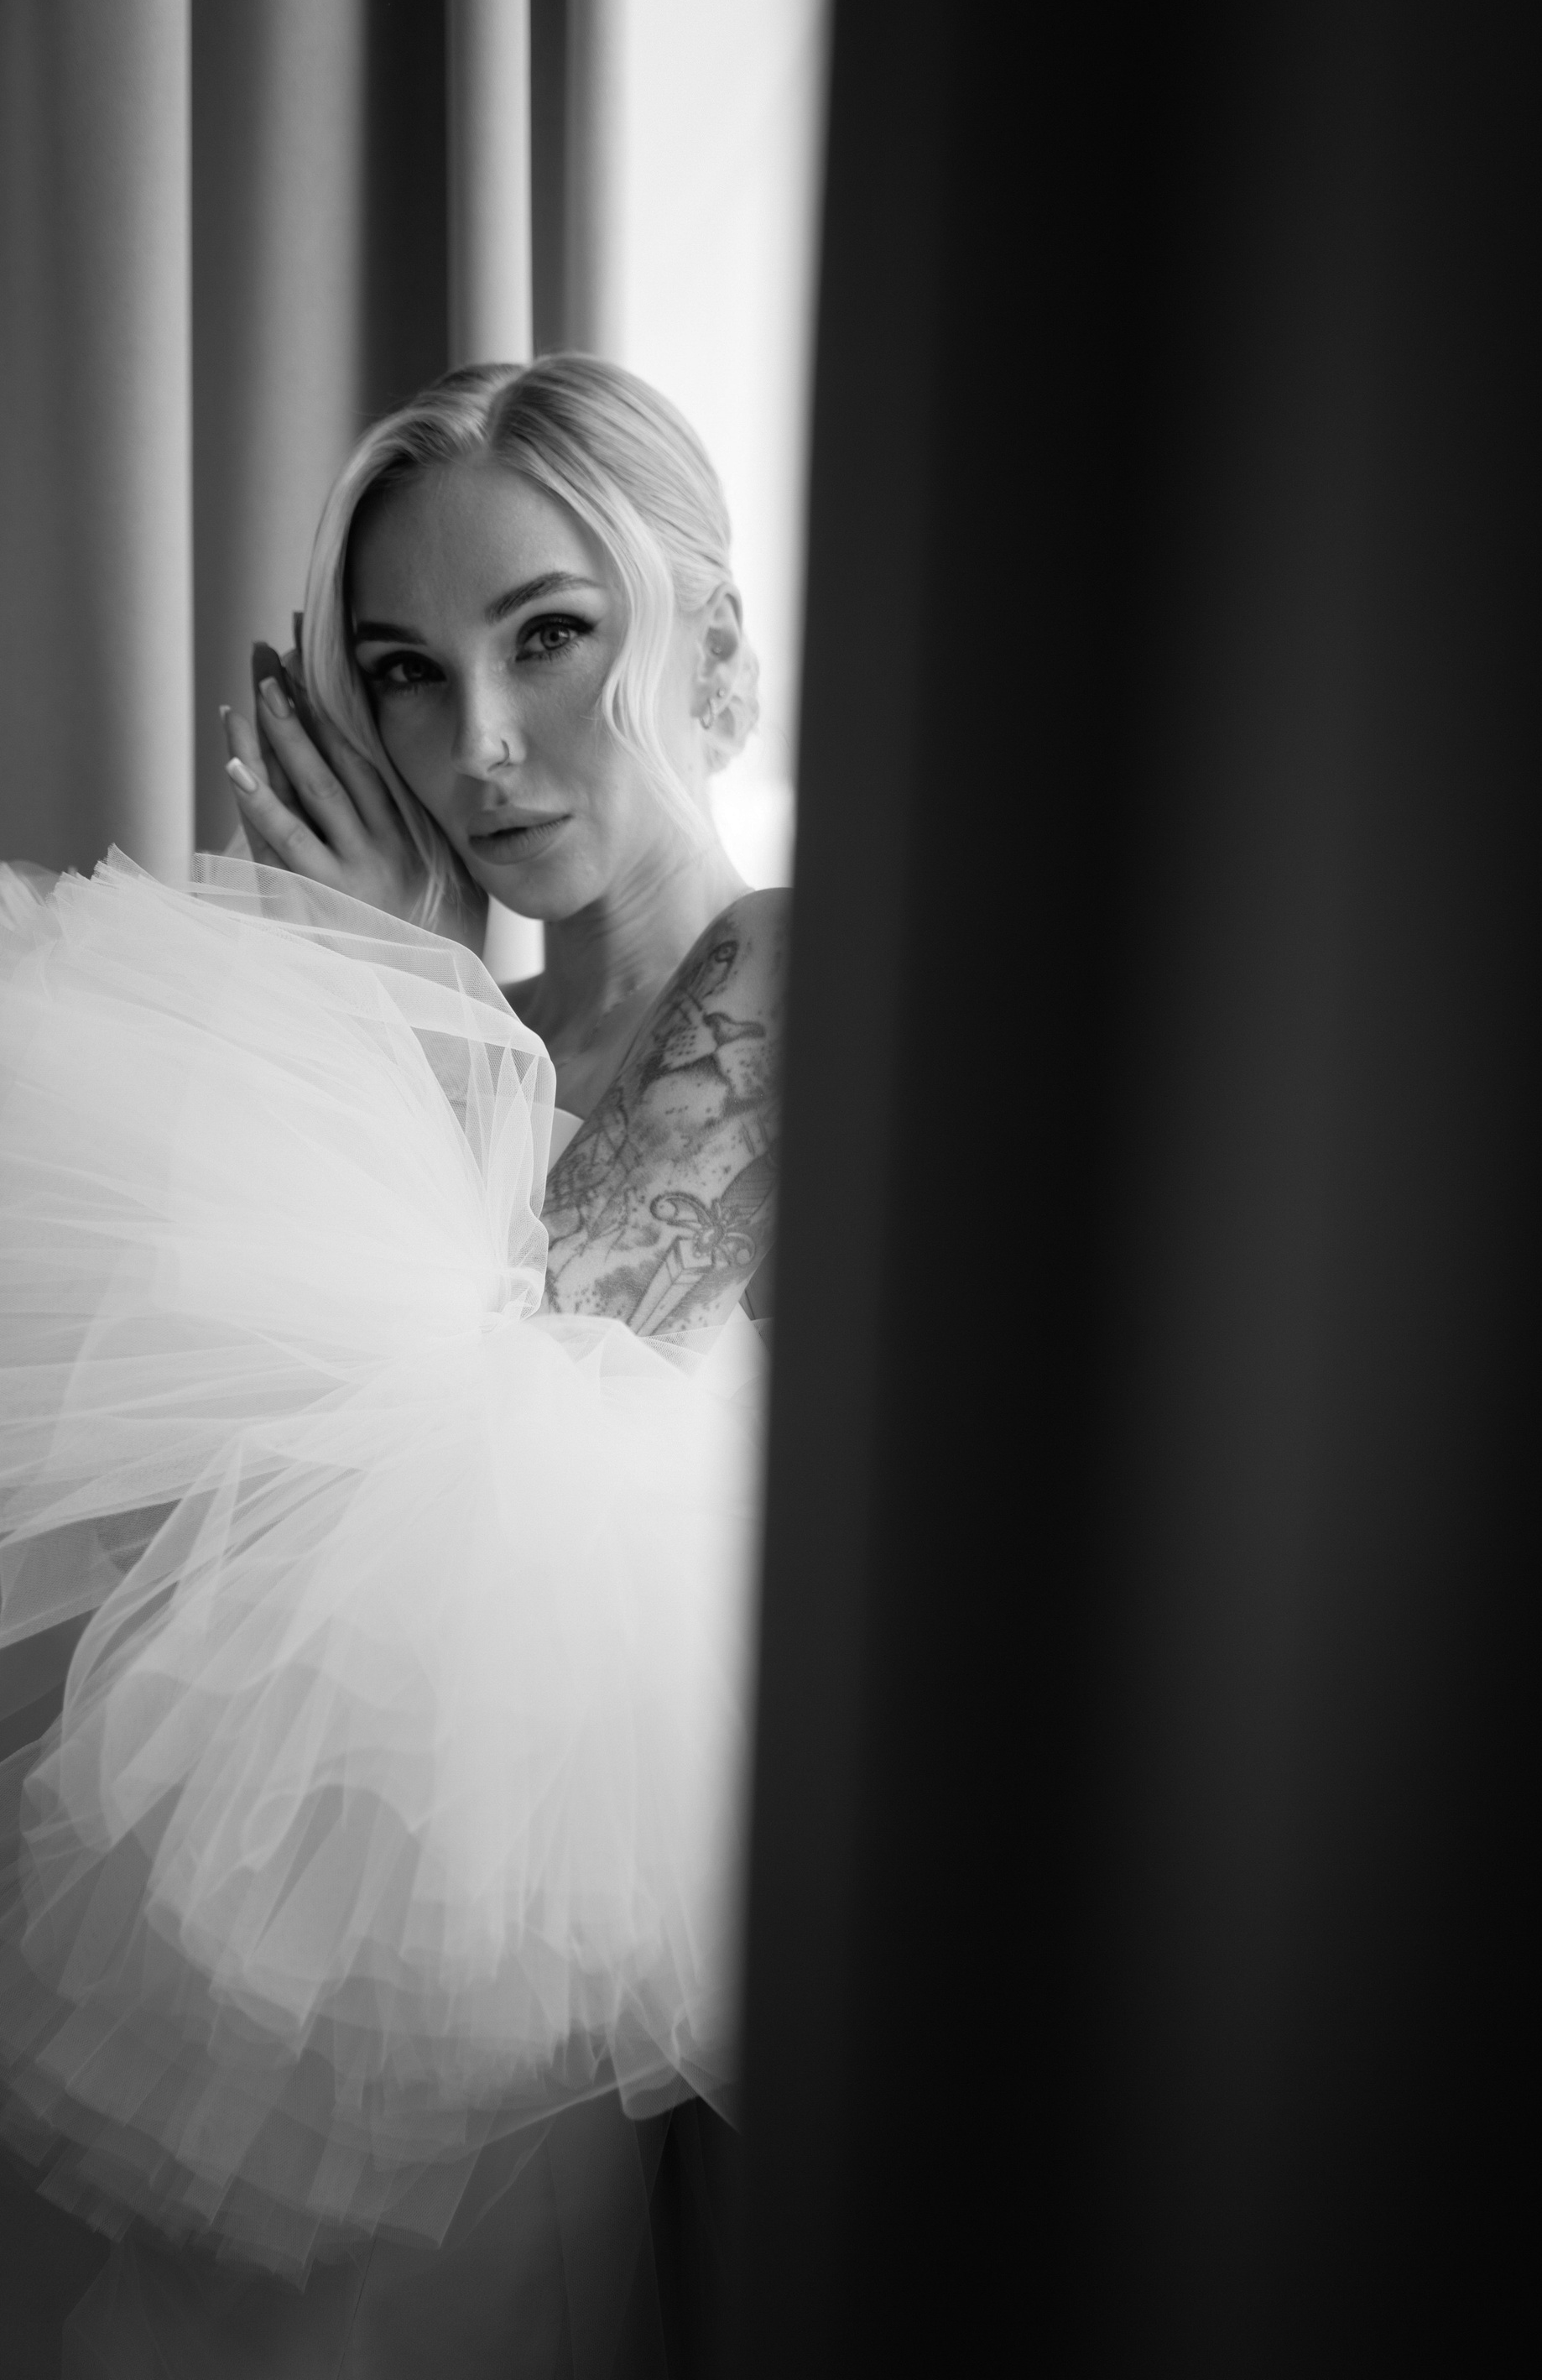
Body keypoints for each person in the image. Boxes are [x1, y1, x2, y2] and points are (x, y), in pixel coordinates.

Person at [0, 357, 784, 2375]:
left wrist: (417, 1001)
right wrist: (402, 1000)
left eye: (551, 636)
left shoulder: (791, 974)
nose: (480, 745)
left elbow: (527, 1464)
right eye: (407, 675)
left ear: (708, 646)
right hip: (358, 1991)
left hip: (606, 1996)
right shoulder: (447, 1021)